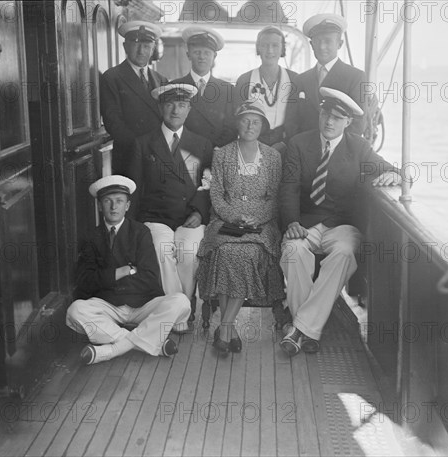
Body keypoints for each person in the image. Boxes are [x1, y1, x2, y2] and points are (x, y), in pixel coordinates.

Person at [279, 88, 401, 356]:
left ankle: (298, 329)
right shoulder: (300, 144)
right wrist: (291, 222)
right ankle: (310, 329)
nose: (329, 122)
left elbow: (393, 169)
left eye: (337, 117)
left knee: (345, 253)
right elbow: (288, 188)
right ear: (319, 114)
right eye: (325, 114)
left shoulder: (358, 147)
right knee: (292, 250)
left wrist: (394, 174)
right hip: (306, 223)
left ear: (348, 122)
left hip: (342, 226)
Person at [66, 175, 191, 365]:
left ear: (128, 205)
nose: (113, 207)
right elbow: (85, 280)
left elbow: (149, 277)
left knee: (181, 302)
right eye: (107, 201)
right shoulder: (91, 236)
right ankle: (150, 341)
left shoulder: (141, 232)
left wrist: (108, 279)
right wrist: (123, 271)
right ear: (100, 206)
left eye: (119, 201)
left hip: (142, 305)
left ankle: (112, 349)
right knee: (75, 311)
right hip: (109, 306)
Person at [196, 100, 284, 355]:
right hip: (225, 222)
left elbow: (275, 198)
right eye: (245, 120)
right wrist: (235, 217)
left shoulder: (272, 156)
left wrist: (256, 218)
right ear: (237, 123)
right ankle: (228, 329)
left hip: (261, 225)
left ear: (262, 126)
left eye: (255, 121)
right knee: (225, 253)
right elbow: (216, 195)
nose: (250, 125)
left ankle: (224, 327)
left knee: (244, 255)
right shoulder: (222, 154)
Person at [128, 84, 212, 325]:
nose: (176, 110)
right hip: (155, 217)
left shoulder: (201, 144)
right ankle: (178, 314)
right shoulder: (143, 144)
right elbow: (134, 189)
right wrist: (132, 231)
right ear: (159, 107)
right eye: (170, 104)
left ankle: (180, 309)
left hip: (189, 217)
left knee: (188, 252)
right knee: (162, 250)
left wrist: (199, 211)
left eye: (182, 105)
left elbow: (208, 184)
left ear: (189, 109)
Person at [100, 21, 168, 175]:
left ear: (152, 49)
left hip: (159, 156)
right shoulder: (112, 77)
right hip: (129, 155)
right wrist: (142, 147)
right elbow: (113, 123)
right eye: (136, 45)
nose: (141, 51)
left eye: (146, 46)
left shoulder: (161, 79)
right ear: (125, 47)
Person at [295, 13, 369, 136]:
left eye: (328, 41)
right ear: (311, 45)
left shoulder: (356, 77)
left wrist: (334, 148)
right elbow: (292, 121)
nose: (322, 47)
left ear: (340, 44)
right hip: (305, 150)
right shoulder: (300, 80)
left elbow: (359, 123)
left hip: (339, 151)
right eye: (318, 41)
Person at [234, 26, 299, 151]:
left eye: (275, 45)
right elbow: (237, 118)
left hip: (286, 144)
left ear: (282, 49)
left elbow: (298, 118)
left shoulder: (295, 79)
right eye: (264, 45)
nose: (270, 51)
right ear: (258, 48)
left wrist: (285, 144)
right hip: (252, 144)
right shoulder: (244, 80)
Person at [171, 25, 237, 148]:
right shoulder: (175, 87)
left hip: (216, 154)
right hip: (184, 154)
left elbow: (231, 128)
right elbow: (171, 126)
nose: (202, 57)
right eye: (197, 52)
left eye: (207, 53)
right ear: (188, 55)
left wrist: (213, 151)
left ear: (214, 57)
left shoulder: (227, 90)